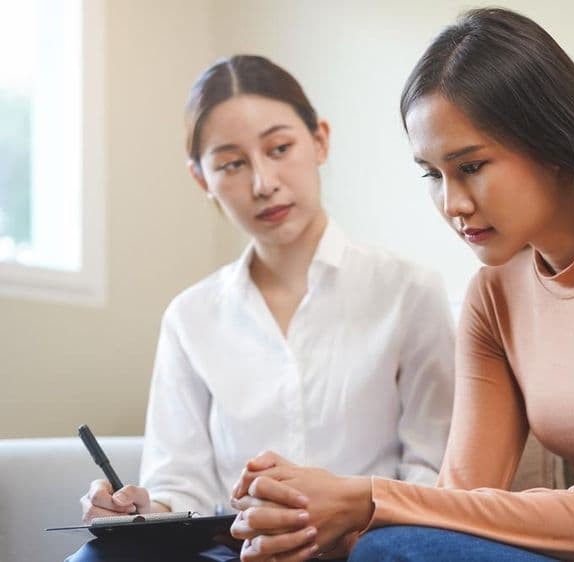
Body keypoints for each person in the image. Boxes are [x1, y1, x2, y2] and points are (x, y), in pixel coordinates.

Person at [227, 8, 574, 562]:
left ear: (553, 144)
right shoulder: (493, 294)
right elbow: (455, 508)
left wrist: (368, 498)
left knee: (393, 546)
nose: (452, 204)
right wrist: (310, 522)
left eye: (471, 166)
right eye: (433, 175)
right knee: (383, 547)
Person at [67, 55, 455, 562]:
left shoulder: (408, 291)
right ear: (201, 178)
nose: (262, 183)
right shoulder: (191, 317)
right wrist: (141, 510)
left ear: (319, 140)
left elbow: (433, 473)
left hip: (366, 545)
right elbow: (180, 486)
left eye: (279, 148)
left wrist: (349, 526)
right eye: (231, 163)